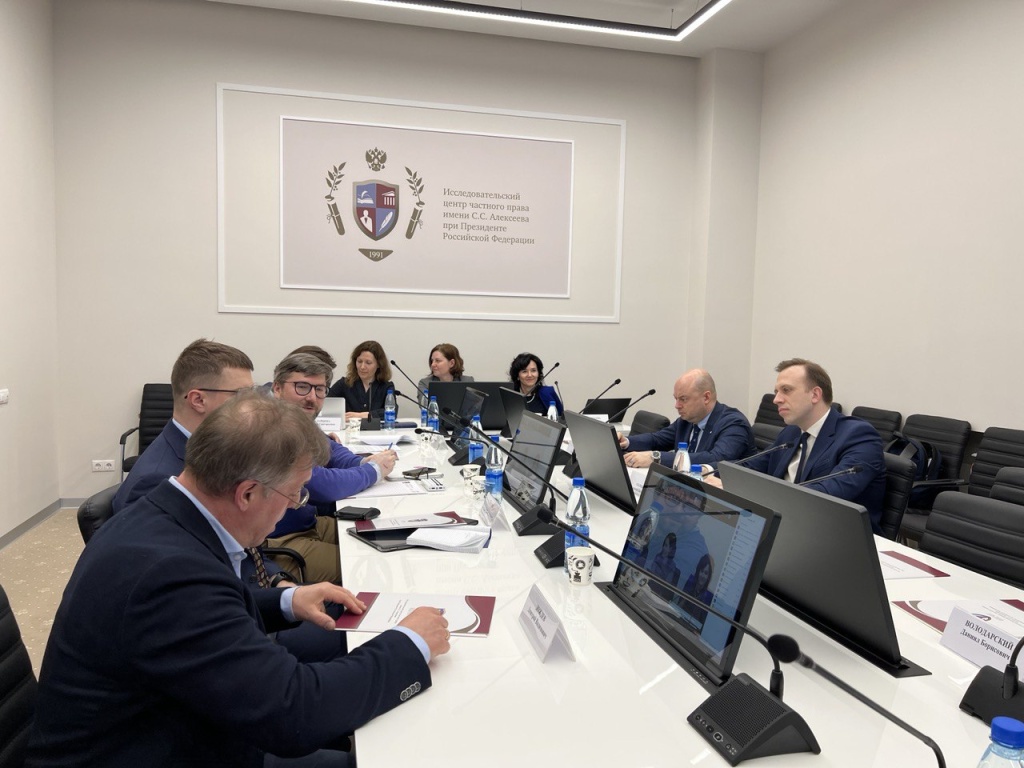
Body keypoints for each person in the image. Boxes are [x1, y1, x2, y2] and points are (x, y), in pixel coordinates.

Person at [27, 392, 450, 766]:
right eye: (294, 493)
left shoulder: (162, 510)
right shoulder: (170, 575)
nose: (295, 506)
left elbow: (206, 609)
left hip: (171, 725)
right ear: (247, 493)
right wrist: (409, 645)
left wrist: (287, 600)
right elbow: (295, 713)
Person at [268, 352, 397, 582]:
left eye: (319, 389)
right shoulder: (272, 427)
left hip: (309, 523)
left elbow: (333, 451)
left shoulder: (297, 420)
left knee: (389, 535)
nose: (312, 397)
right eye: (302, 387)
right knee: (370, 567)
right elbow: (321, 484)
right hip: (281, 540)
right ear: (277, 388)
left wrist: (363, 462)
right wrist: (373, 470)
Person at [719, 358, 887, 533]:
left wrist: (763, 497)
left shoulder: (859, 436)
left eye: (786, 390)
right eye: (776, 392)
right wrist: (711, 472)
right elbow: (750, 466)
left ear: (815, 395)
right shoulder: (791, 432)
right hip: (787, 526)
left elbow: (828, 494)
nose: (776, 399)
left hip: (836, 534)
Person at [113, 338, 255, 514]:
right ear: (198, 400)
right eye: (241, 394)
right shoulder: (158, 481)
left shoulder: (211, 449)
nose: (251, 404)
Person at [620, 368, 754, 471]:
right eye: (676, 399)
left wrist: (656, 458)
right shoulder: (687, 420)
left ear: (706, 397)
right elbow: (658, 439)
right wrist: (625, 442)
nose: (677, 405)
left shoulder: (734, 424)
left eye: (683, 399)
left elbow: (716, 458)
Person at [327, 340, 396, 421]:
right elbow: (325, 405)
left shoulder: (386, 387)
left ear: (378, 364)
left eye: (368, 363)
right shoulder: (344, 384)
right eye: (359, 361)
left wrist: (361, 415)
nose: (362, 367)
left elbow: (392, 412)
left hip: (375, 429)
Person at [508, 352, 563, 417]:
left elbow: (560, 419)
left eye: (533, 370)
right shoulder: (510, 395)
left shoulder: (548, 392)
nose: (529, 375)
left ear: (538, 373)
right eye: (524, 371)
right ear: (517, 376)